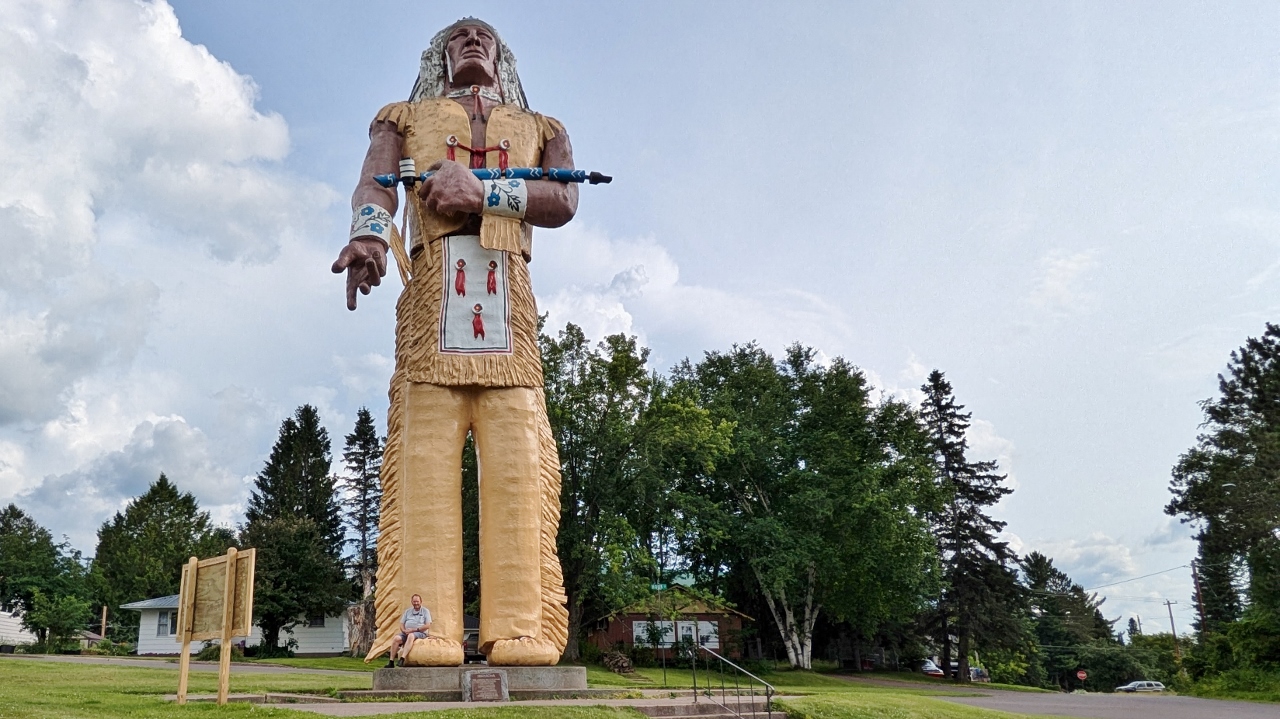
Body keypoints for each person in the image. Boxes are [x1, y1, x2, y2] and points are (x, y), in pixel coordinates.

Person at [332, 18, 576, 667]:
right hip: (432, 301)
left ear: (502, 56)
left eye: (484, 34)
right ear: (438, 54)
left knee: (520, 465)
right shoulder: (402, 118)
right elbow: (375, 184)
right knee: (424, 464)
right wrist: (368, 235)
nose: (471, 39)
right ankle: (423, 625)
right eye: (458, 34)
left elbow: (564, 198)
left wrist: (484, 189)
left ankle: (522, 626)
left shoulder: (543, 127)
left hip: (510, 312)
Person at [387, 594, 432, 668]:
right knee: (396, 639)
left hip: (420, 632)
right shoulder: (407, 611)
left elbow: (427, 625)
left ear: (421, 601)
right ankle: (391, 661)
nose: (416, 603)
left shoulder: (425, 611)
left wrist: (414, 630)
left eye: (417, 601)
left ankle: (402, 658)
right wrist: (404, 631)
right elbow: (401, 624)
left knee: (411, 635)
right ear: (411, 602)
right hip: (407, 632)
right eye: (414, 601)